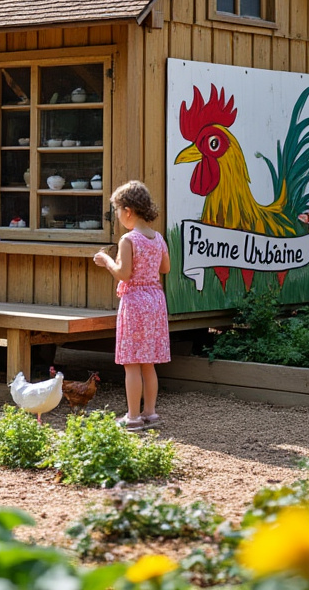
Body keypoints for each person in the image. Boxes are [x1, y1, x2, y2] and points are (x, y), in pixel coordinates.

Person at [94, 180, 170, 430]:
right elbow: (165, 268)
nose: (117, 217)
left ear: (128, 210)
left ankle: (133, 417)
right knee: (148, 362)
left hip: (135, 302)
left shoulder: (129, 240)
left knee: (132, 363)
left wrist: (106, 259)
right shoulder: (157, 238)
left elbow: (123, 274)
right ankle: (150, 413)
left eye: (117, 211)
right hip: (155, 300)